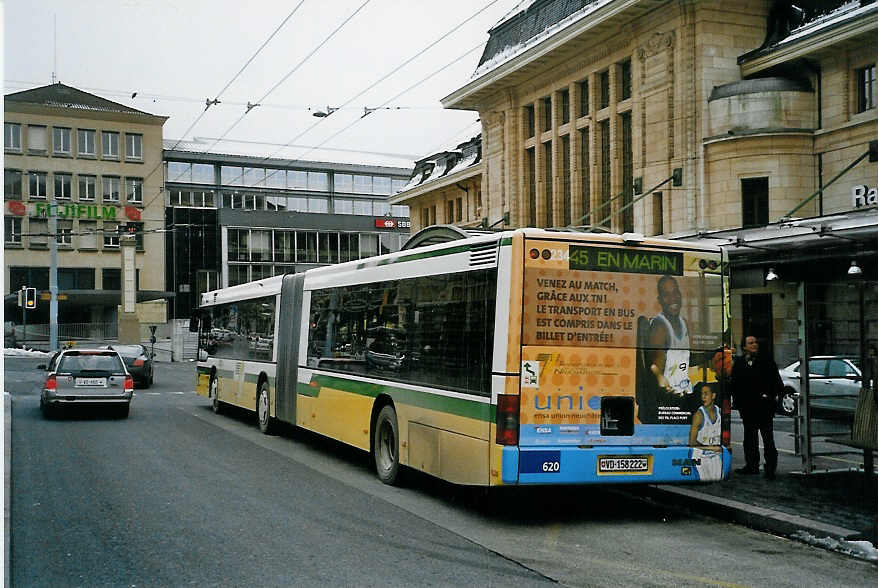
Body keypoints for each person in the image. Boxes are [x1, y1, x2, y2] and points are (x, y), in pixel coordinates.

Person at [730, 334, 783, 479]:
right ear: (744, 347)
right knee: (749, 438)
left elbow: (777, 384)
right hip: (747, 408)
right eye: (750, 343)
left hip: (764, 408)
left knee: (767, 438)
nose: (754, 344)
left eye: (755, 342)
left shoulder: (767, 361)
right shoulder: (740, 363)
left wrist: (769, 396)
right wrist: (738, 402)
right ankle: (751, 466)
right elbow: (734, 384)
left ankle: (770, 468)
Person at [646, 275, 694, 419]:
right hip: (668, 399)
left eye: (675, 292)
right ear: (660, 300)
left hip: (684, 392)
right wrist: (660, 377)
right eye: (666, 295)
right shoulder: (659, 327)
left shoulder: (685, 323)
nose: (673, 298)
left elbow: (689, 358)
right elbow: (654, 366)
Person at [688, 382, 722, 481]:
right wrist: (711, 448)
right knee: (705, 481)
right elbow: (691, 443)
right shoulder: (698, 415)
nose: (703, 397)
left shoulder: (719, 412)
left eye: (706, 394)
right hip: (700, 456)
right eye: (702, 394)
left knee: (717, 481)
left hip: (715, 455)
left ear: (713, 396)